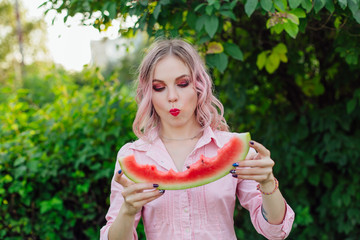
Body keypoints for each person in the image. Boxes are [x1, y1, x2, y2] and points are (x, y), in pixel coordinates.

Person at [100, 39, 295, 240]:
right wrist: (128, 210)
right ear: (149, 93)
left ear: (199, 85)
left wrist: (268, 182)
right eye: (159, 87)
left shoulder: (233, 149)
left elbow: (276, 231)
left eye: (182, 83)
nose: (172, 96)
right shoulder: (133, 156)